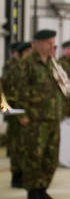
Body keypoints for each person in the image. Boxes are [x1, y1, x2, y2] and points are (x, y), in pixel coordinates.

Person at [17, 30, 70, 199]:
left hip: (53, 118)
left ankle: (42, 189)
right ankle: (32, 194)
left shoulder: (53, 64)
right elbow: (19, 91)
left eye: (53, 43)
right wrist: (22, 115)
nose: (51, 46)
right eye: (49, 43)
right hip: (35, 120)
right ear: (38, 43)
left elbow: (60, 89)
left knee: (51, 157)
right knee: (34, 157)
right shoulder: (27, 64)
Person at [2, 42, 24, 188]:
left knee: (21, 142)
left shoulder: (23, 65)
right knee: (15, 142)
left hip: (21, 107)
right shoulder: (11, 66)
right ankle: (16, 176)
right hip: (13, 107)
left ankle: (21, 173)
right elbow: (6, 87)